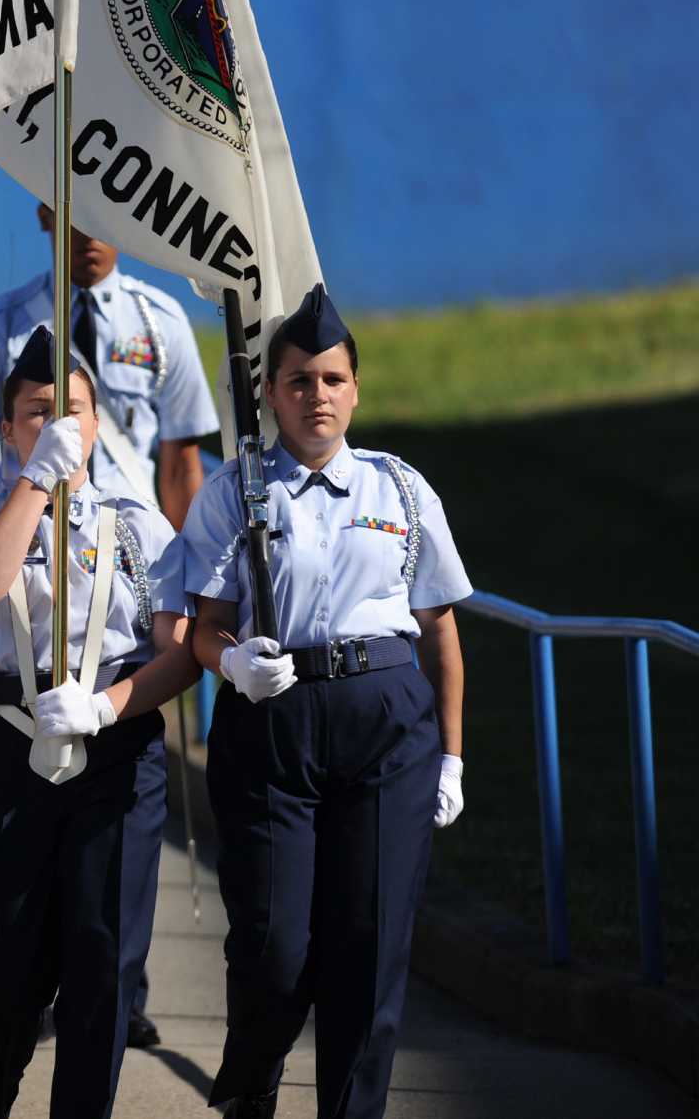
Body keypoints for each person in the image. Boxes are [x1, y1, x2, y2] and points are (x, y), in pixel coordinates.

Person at [180, 285, 471, 1119]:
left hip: (387, 732)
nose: (318, 397)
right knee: (276, 949)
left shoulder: (401, 490)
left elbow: (441, 629)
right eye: (299, 381)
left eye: (333, 380)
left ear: (356, 390)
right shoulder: (236, 493)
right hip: (274, 729)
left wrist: (451, 755)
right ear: (269, 393)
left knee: (369, 948)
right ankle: (256, 1079)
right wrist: (233, 663)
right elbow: (204, 626)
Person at [0, 325, 202, 1118]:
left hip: (114, 745)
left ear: (100, 422)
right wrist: (34, 486)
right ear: (7, 427)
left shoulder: (140, 525)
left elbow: (176, 655)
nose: (57, 425)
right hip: (8, 744)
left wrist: (111, 704)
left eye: (72, 409)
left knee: (103, 950)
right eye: (37, 411)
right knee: (5, 959)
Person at [0, 205, 216, 529]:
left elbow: (181, 466)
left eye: (100, 216)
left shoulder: (161, 320)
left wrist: (184, 564)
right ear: (45, 215)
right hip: (29, 535)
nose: (89, 232)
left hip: (130, 535)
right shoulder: (3, 320)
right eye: (75, 215)